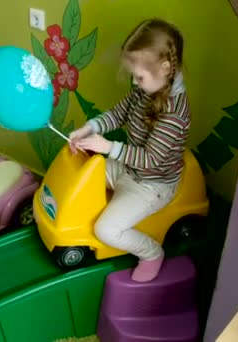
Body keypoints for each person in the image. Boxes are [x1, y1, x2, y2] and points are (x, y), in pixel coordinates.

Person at [69, 18, 190, 282]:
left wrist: (109, 147)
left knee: (106, 230)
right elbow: (117, 114)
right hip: (127, 168)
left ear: (166, 68)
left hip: (152, 185)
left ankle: (151, 254)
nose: (135, 83)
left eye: (139, 77)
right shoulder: (144, 90)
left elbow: (151, 160)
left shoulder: (174, 114)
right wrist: (90, 128)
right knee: (81, 174)